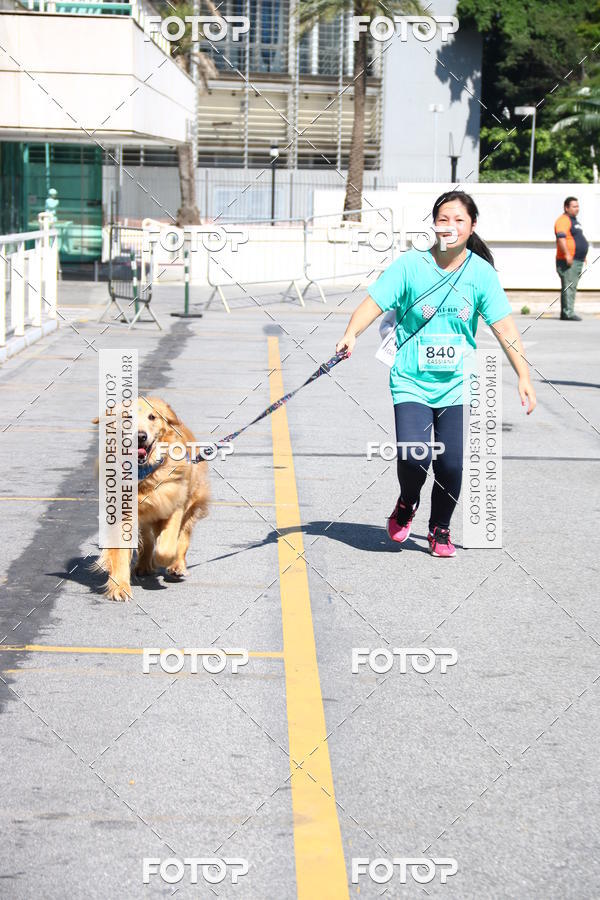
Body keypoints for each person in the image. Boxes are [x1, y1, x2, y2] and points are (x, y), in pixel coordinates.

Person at [336, 190, 536, 558]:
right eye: (443, 219)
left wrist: (523, 375)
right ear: (433, 225)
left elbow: (505, 328)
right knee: (415, 455)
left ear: (472, 226)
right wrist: (351, 333)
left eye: (459, 220)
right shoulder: (410, 266)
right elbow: (373, 303)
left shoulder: (481, 274)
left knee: (451, 461)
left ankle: (439, 527)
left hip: (458, 384)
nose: (451, 227)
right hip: (410, 378)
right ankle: (407, 502)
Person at [554, 196, 588, 321]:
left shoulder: (574, 221)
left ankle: (567, 311)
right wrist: (568, 254)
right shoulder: (563, 220)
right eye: (574, 206)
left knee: (572, 286)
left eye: (577, 206)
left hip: (577, 259)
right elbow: (561, 238)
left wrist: (583, 255)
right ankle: (568, 313)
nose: (576, 209)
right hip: (568, 260)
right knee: (569, 286)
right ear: (566, 207)